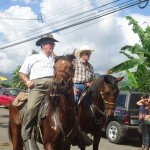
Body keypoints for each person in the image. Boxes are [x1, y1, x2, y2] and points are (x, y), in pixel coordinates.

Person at [19, 33, 58, 149]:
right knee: (31, 108)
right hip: (38, 87)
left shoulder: (55, 59)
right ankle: (27, 137)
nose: (52, 46)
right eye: (49, 44)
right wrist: (27, 82)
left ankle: (76, 133)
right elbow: (21, 73)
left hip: (55, 87)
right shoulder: (32, 57)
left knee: (70, 103)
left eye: (53, 44)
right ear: (42, 45)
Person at [73, 49, 95, 146]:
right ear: (81, 54)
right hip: (76, 86)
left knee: (94, 104)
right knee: (74, 102)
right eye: (87, 53)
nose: (88, 55)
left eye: (89, 54)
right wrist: (72, 87)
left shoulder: (90, 66)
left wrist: (91, 83)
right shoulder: (75, 63)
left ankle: (92, 126)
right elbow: (68, 75)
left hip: (87, 87)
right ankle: (72, 124)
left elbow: (93, 79)